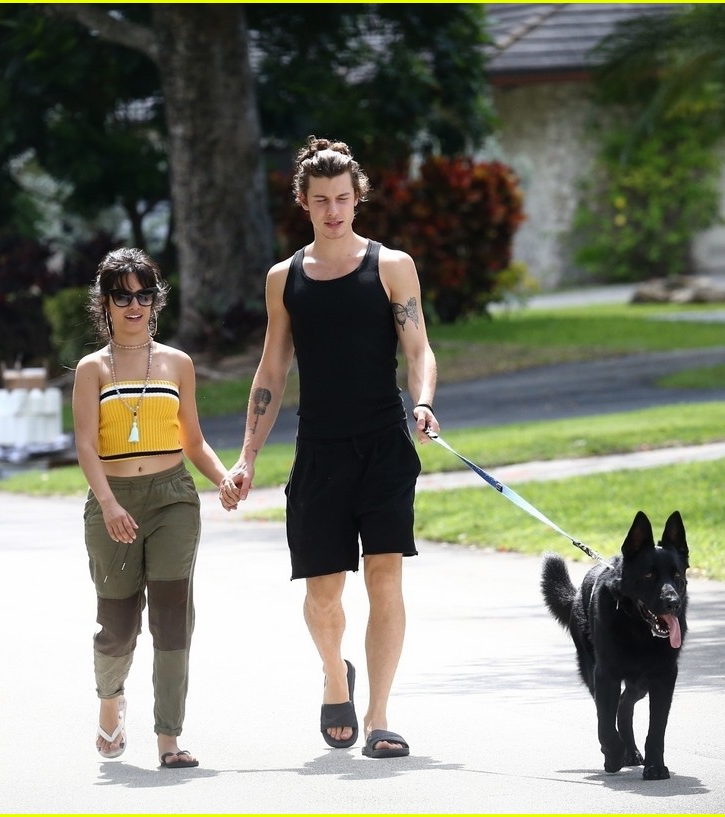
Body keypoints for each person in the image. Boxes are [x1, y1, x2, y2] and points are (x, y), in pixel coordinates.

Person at [227, 136, 440, 759]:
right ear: (304, 202)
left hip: (383, 446)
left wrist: (423, 401)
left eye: (342, 198)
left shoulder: (391, 266)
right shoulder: (285, 279)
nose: (333, 210)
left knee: (384, 576)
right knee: (322, 594)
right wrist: (247, 456)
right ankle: (333, 675)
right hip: (319, 451)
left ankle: (379, 716)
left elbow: (419, 348)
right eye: (321, 200)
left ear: (357, 198)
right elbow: (271, 370)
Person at [73, 247, 238, 769]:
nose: (134, 306)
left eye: (144, 295)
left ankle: (169, 737)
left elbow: (194, 440)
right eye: (122, 297)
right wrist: (108, 503)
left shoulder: (177, 363)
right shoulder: (91, 369)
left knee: (172, 619)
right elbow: (85, 445)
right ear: (105, 303)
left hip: (173, 500)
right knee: (118, 624)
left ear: (156, 300)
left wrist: (223, 477)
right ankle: (110, 699)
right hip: (113, 503)